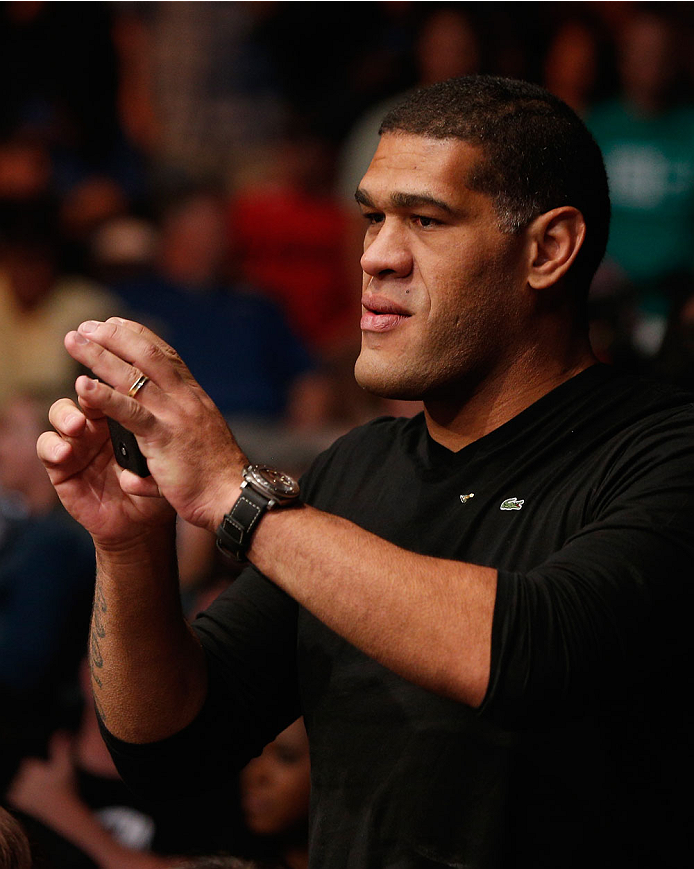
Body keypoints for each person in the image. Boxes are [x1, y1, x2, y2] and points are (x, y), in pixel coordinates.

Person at [37, 76, 694, 868]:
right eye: (372, 217)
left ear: (548, 249)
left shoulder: (665, 450)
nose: (377, 256)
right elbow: (169, 744)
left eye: (426, 219)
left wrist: (234, 496)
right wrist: (131, 546)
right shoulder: (354, 470)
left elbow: (533, 649)